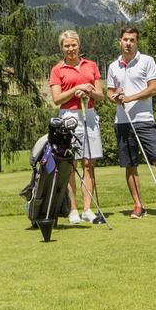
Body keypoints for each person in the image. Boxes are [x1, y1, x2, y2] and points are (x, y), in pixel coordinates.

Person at [105, 26, 156, 221]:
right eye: (125, 39)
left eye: (132, 40)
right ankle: (138, 206)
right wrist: (115, 98)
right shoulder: (113, 66)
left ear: (136, 42)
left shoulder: (147, 61)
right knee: (130, 166)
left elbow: (153, 89)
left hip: (144, 120)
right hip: (123, 122)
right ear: (120, 41)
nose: (128, 43)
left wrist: (130, 97)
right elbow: (109, 92)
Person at [48, 29, 105, 225]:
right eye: (67, 46)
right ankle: (73, 210)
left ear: (79, 45)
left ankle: (88, 209)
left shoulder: (91, 65)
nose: (71, 49)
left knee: (89, 164)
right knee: (71, 165)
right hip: (69, 117)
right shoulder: (58, 69)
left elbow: (100, 95)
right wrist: (75, 90)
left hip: (89, 114)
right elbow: (56, 99)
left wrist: (89, 92)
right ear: (61, 48)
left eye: (74, 45)